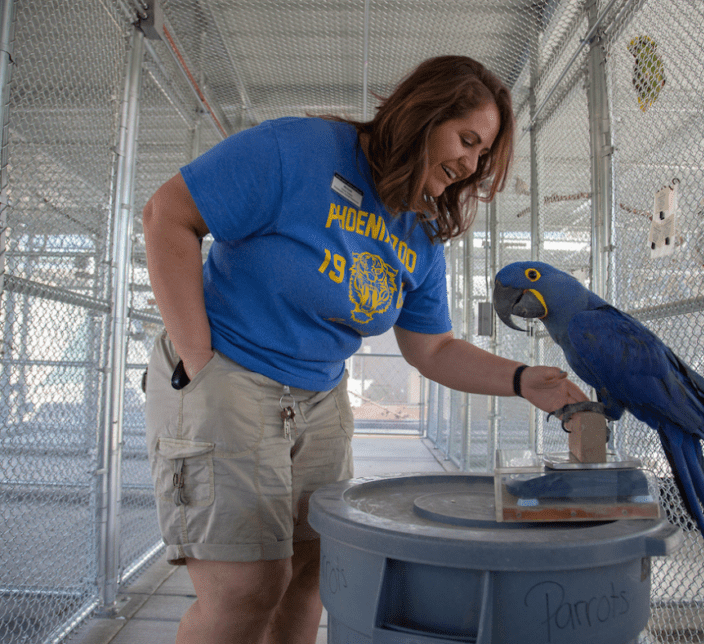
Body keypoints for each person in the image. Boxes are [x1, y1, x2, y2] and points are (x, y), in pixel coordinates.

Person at [142, 55, 588, 644]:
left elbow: (433, 349)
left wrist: (523, 379)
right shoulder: (296, 149)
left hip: (321, 395)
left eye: (483, 155)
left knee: (313, 573)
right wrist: (201, 366)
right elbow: (167, 215)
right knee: (246, 590)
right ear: (423, 115)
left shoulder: (418, 231)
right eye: (467, 140)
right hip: (230, 372)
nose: (471, 165)